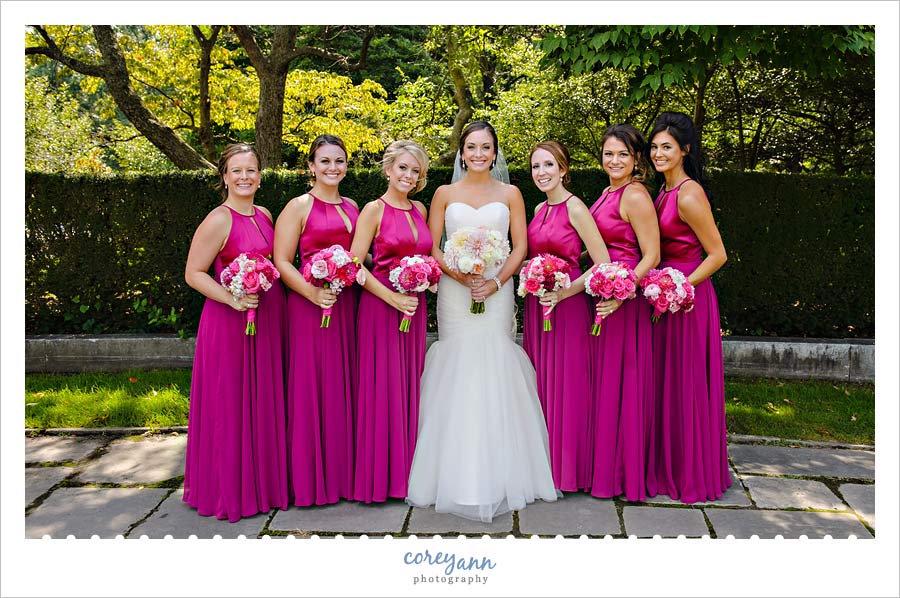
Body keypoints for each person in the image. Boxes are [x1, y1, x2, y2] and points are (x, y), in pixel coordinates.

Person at [407, 121, 558, 522]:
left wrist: (494, 282)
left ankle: (501, 473)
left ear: (495, 153)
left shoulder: (510, 194)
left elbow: (521, 245)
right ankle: (450, 475)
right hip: (456, 293)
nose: (478, 154)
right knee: (457, 364)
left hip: (496, 289)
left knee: (494, 362)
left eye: (485, 147)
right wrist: (458, 275)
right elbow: (432, 244)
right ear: (461, 151)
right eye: (471, 147)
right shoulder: (444, 193)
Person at [183, 143, 288, 521]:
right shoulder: (218, 219)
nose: (245, 177)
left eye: (251, 170)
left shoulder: (264, 213)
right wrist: (231, 298)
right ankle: (230, 491)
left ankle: (264, 486)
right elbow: (193, 273)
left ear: (260, 175)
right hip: (230, 323)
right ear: (224, 176)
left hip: (265, 320)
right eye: (237, 170)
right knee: (231, 404)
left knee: (261, 401)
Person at [646, 111, 730, 503]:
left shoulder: (689, 193)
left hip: (688, 299)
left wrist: (679, 285)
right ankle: (668, 467)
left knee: (687, 383)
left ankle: (691, 472)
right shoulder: (662, 190)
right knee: (667, 383)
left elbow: (717, 255)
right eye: (655, 146)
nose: (659, 153)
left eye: (667, 147)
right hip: (663, 296)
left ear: (685, 150)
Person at [273, 135, 360, 506]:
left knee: (344, 387)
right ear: (310, 166)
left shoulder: (354, 206)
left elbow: (361, 256)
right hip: (311, 308)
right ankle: (309, 482)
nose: (332, 168)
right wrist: (312, 293)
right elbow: (282, 260)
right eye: (324, 161)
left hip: (347, 308)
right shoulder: (298, 206)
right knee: (312, 389)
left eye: (339, 161)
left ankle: (342, 477)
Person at [523, 141, 610, 493]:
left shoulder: (576, 207)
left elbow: (602, 261)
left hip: (568, 308)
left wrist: (563, 291)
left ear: (563, 169)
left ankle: (569, 472)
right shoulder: (538, 209)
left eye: (548, 165)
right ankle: (543, 466)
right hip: (537, 307)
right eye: (535, 167)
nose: (541, 173)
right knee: (540, 385)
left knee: (569, 387)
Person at [351, 140, 433, 503]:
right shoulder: (373, 209)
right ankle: (380, 480)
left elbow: (427, 254)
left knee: (409, 387)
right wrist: (392, 297)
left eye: (415, 171)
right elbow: (353, 267)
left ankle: (408, 473)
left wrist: (424, 279)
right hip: (381, 308)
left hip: (413, 310)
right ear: (387, 169)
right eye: (403, 168)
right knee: (383, 389)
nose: (408, 176)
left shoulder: (420, 208)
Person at [587, 124, 660, 502]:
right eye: (609, 154)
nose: (614, 161)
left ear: (636, 161)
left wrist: (622, 291)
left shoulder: (635, 195)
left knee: (624, 387)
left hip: (624, 303)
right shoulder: (605, 193)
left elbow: (651, 255)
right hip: (601, 298)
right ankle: (603, 469)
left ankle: (624, 475)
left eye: (622, 155)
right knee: (604, 387)